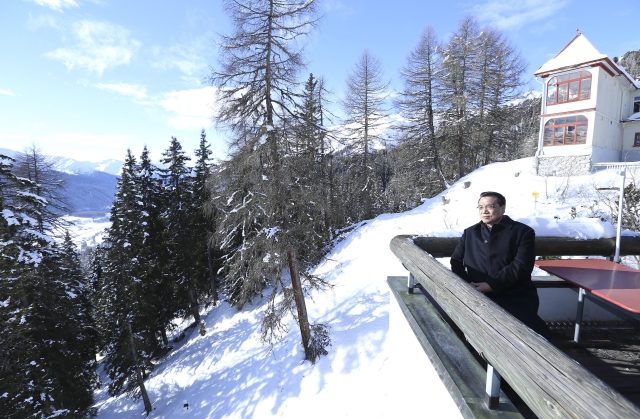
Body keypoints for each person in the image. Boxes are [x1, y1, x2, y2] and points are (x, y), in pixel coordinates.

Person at [450, 191, 550, 339]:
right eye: (480, 207)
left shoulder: (522, 232)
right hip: (477, 295)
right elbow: (456, 260)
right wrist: (468, 285)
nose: (484, 211)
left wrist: (491, 284)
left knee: (526, 338)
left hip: (514, 295)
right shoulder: (471, 232)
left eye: (490, 206)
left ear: (502, 208)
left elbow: (522, 265)